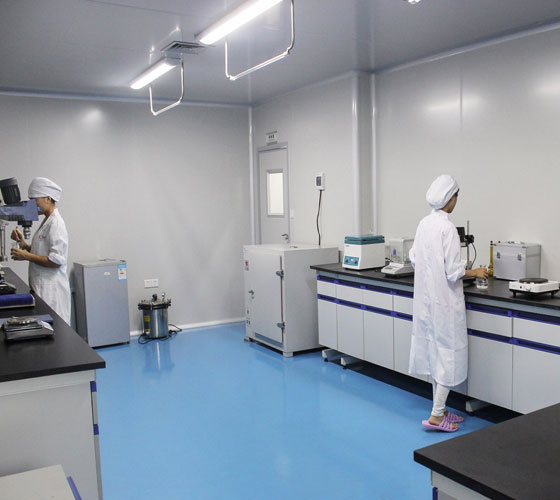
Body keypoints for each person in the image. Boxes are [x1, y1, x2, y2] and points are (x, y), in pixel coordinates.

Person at [408, 174, 488, 432]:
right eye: (456, 196)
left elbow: (414, 257)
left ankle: (439, 410)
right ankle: (436, 415)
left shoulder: (424, 223)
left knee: (435, 354)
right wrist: (476, 272)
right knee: (448, 357)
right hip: (444, 303)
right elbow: (453, 272)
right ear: (449, 198)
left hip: (426, 302)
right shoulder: (448, 228)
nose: (456, 201)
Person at [10, 177, 71, 324]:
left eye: (34, 200)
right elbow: (43, 251)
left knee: (56, 330)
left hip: (52, 292)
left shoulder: (56, 224)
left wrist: (26, 256)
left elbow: (55, 261)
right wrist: (24, 245)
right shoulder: (47, 221)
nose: (32, 204)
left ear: (48, 198)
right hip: (41, 288)